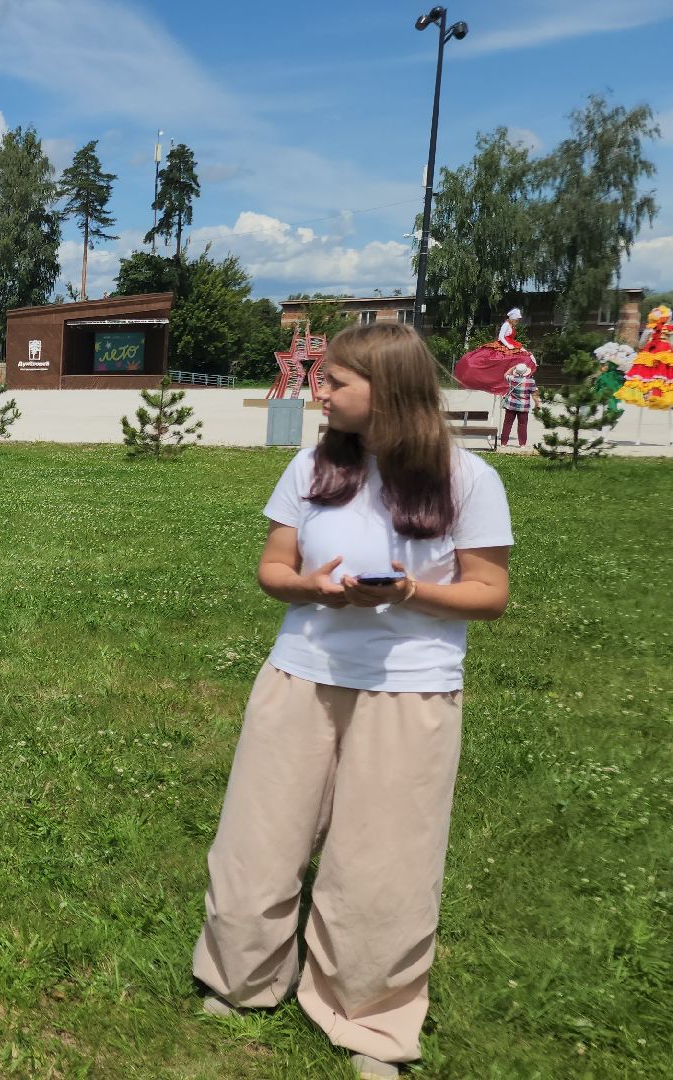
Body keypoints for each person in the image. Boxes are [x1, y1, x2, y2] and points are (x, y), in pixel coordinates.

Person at [191, 322, 513, 1080]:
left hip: (410, 690)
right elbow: (273, 567)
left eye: (335, 381)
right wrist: (308, 588)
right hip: (300, 673)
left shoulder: (469, 480)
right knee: (258, 837)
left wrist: (411, 593)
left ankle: (369, 1019)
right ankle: (240, 977)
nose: (319, 392)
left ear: (388, 389)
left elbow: (490, 593)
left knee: (385, 861)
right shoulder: (310, 467)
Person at [498, 361, 534, 448]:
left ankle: (503, 443)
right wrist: (537, 403)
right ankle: (522, 444)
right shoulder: (530, 381)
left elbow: (505, 374)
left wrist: (514, 367)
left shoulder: (512, 379)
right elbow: (534, 394)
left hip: (511, 405)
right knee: (522, 425)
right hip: (523, 407)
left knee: (507, 424)